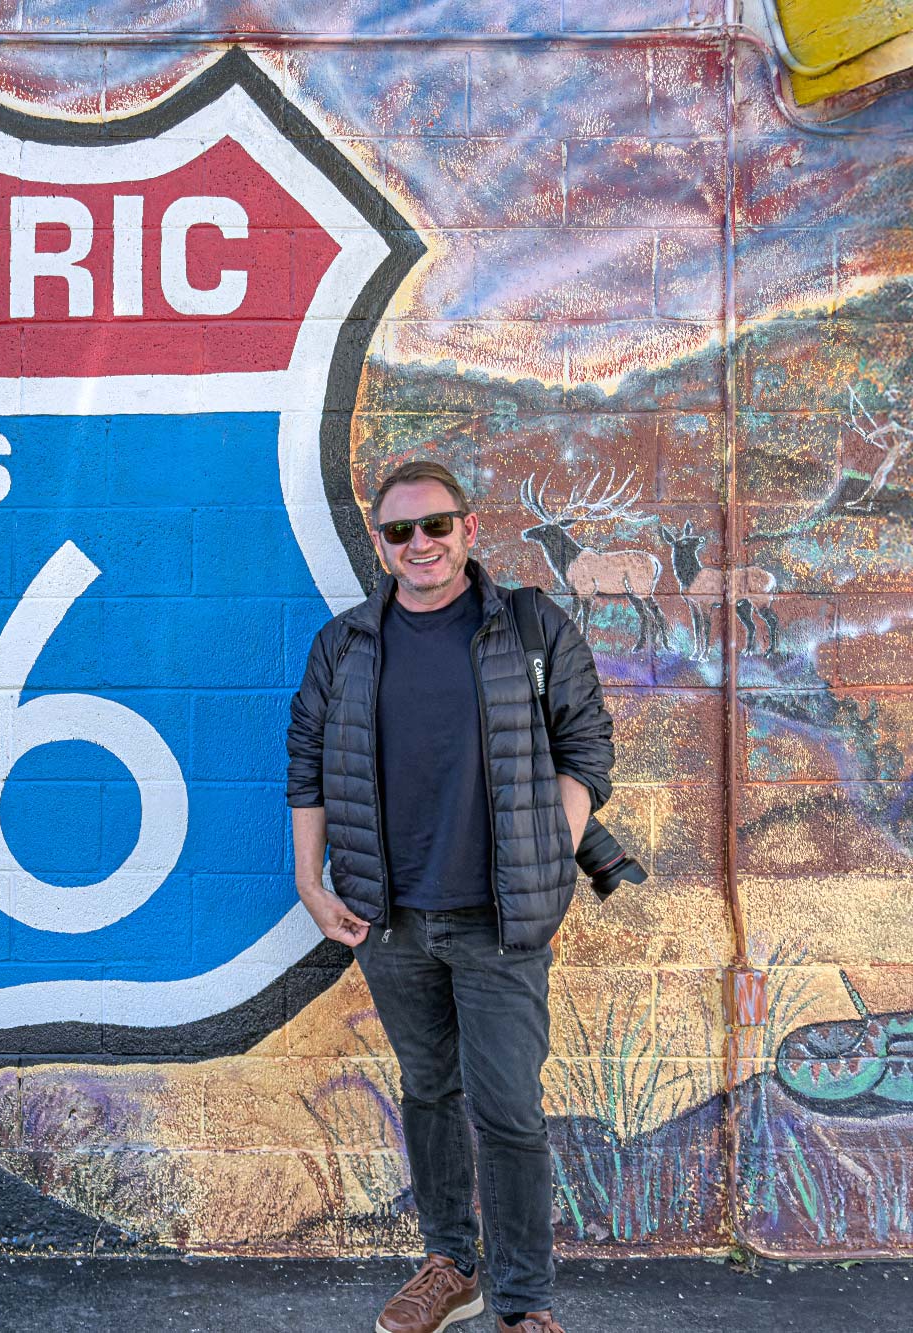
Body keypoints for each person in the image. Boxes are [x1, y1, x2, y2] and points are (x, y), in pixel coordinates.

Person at [285, 460, 615, 1333]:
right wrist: (307, 883)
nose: (420, 544)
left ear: (470, 531)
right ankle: (451, 1265)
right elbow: (307, 765)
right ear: (382, 548)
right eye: (401, 532)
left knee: (506, 1107)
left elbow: (586, 742)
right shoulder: (346, 644)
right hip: (388, 918)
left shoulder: (530, 626)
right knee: (428, 1090)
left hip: (501, 917)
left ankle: (523, 1302)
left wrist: (554, 840)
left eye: (436, 526)